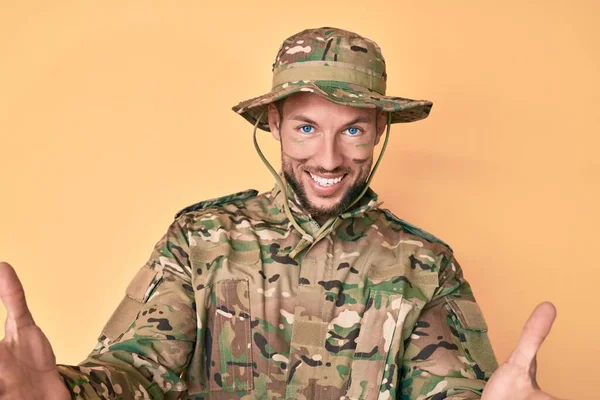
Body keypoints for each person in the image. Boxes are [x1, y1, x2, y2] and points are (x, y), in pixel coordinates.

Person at [0, 27, 559, 400]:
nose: (329, 158)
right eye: (306, 128)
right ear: (274, 124)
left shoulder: (423, 265)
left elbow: (447, 389)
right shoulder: (201, 238)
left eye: (354, 131)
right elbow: (139, 371)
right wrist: (64, 390)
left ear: (380, 131)